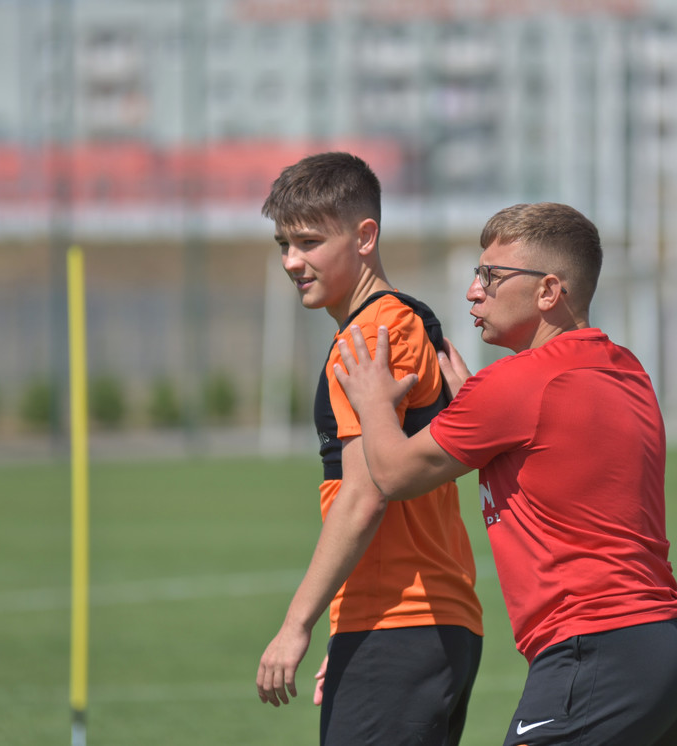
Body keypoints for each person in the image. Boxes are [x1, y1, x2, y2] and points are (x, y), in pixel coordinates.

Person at [333, 202, 677, 746]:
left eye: (491, 275)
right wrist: (476, 408)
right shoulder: (626, 368)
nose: (472, 291)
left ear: (549, 291)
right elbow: (551, 453)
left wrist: (371, 401)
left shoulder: (516, 383)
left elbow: (391, 474)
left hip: (595, 653)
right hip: (674, 656)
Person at [254, 152, 483, 746]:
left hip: (402, 620)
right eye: (283, 243)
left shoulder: (366, 340)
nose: (291, 261)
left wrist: (295, 626)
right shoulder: (412, 320)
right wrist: (349, 630)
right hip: (422, 622)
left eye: (308, 241)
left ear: (365, 236)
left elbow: (364, 495)